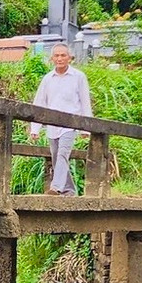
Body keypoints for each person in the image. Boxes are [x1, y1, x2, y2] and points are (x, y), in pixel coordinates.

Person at [29, 44, 92, 194]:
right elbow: (39, 103)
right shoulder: (48, 79)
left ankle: (56, 187)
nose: (60, 58)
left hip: (70, 125)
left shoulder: (78, 77)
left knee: (63, 153)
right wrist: (35, 128)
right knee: (57, 157)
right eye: (56, 56)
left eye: (63, 55)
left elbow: (85, 101)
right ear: (52, 59)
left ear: (69, 58)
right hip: (52, 126)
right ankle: (69, 191)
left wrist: (86, 128)